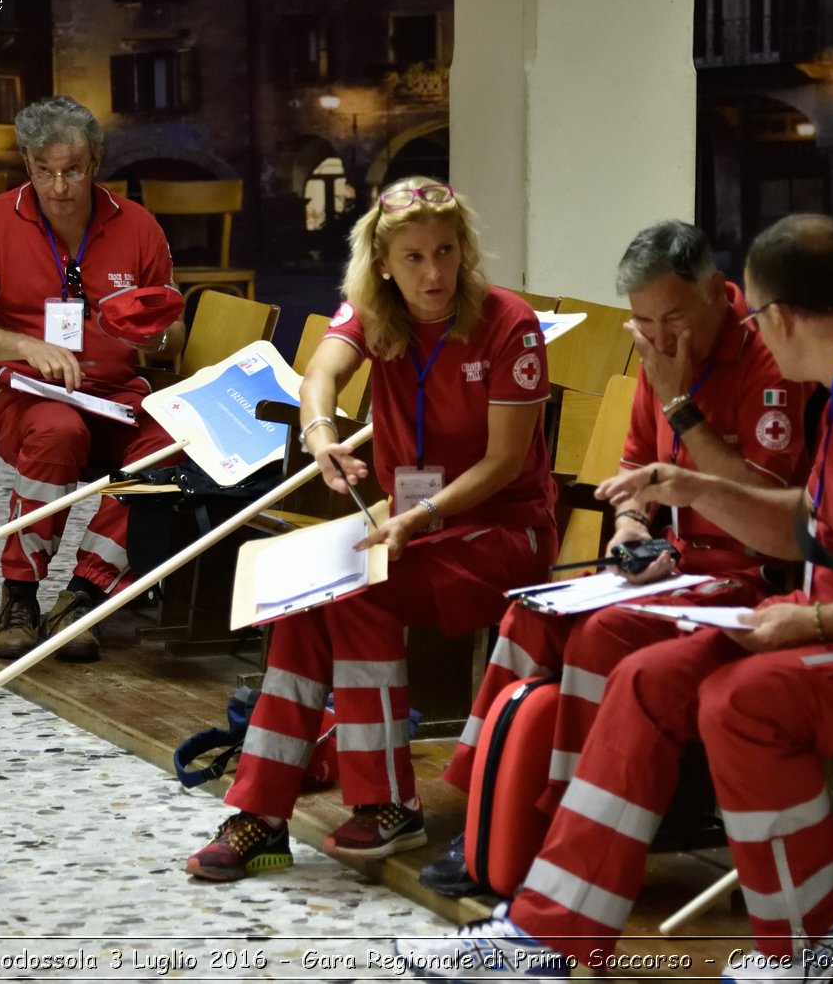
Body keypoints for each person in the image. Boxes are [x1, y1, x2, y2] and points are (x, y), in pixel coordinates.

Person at [395, 213, 833, 982]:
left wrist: (814, 618)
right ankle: (550, 934)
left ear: (779, 316)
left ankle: (819, 930)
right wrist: (683, 485)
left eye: (754, 312)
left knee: (741, 702)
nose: (755, 328)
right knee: (644, 679)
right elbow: (805, 530)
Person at [185, 177, 559, 882]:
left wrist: (418, 514)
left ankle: (390, 803)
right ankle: (262, 816)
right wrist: (321, 431)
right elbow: (320, 372)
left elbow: (506, 462)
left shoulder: (509, 323)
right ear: (384, 263)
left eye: (446, 252)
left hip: (501, 531)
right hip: (413, 523)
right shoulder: (373, 311)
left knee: (357, 592)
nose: (434, 272)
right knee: (305, 598)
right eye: (414, 257)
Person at [422, 219, 807, 894]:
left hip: (750, 573)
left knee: (603, 635)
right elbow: (636, 468)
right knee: (530, 615)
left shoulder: (765, 359)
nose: (659, 338)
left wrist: (680, 403)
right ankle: (485, 812)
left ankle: (560, 826)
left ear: (718, 292)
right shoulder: (659, 356)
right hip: (674, 561)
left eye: (675, 317)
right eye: (644, 321)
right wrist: (629, 524)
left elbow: (766, 504)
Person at [0, 95, 186, 663]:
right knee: (59, 430)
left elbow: (170, 335)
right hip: (27, 398)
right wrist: (26, 345)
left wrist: (152, 334)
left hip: (117, 398)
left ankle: (85, 597)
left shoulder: (140, 227)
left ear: (95, 161)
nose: (59, 187)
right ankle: (20, 595)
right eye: (45, 171)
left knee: (174, 445)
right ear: (27, 165)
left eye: (72, 170)